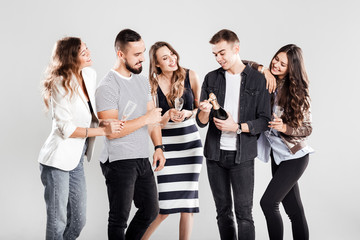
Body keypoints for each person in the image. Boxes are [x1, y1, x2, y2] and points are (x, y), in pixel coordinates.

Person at [38, 37, 122, 240]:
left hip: (76, 159)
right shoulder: (59, 83)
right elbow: (65, 129)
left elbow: (88, 112)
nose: (89, 53)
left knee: (78, 219)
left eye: (87, 49)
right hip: (57, 160)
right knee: (58, 221)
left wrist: (103, 123)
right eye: (83, 52)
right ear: (71, 58)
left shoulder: (89, 75)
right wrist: (102, 132)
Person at [196, 29, 271, 240]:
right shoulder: (211, 78)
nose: (219, 58)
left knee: (244, 215)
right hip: (215, 155)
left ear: (236, 49)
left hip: (243, 157)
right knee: (223, 213)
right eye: (215, 55)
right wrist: (204, 110)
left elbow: (264, 121)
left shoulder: (257, 79)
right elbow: (202, 123)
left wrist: (236, 127)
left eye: (222, 53)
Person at [95, 29, 166, 240]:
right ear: (120, 54)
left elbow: (153, 120)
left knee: (151, 211)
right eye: (136, 54)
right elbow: (111, 133)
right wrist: (146, 119)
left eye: (142, 52)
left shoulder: (142, 81)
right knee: (119, 219)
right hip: (119, 159)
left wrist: (159, 147)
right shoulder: (107, 87)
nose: (142, 58)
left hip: (142, 157)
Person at [142, 41, 203, 240]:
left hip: (190, 144)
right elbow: (152, 121)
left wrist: (188, 113)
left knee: (188, 206)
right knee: (164, 208)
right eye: (165, 58)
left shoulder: (190, 75)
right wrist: (167, 115)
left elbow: (202, 111)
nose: (172, 60)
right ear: (157, 64)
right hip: (166, 144)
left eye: (172, 54)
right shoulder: (150, 84)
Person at [257, 44, 313, 240]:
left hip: (295, 156)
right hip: (278, 156)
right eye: (276, 59)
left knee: (268, 203)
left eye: (283, 64)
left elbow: (307, 129)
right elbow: (243, 64)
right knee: (294, 211)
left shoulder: (298, 92)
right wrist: (263, 69)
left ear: (292, 68)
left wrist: (285, 128)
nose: (277, 65)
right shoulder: (268, 79)